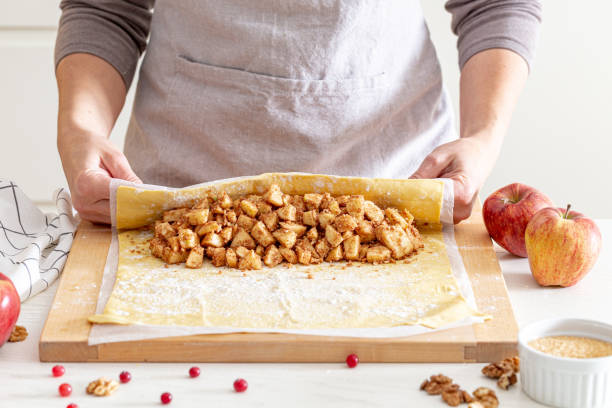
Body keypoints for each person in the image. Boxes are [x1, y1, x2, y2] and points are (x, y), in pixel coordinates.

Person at [55, 1, 542, 225]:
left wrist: (482, 136)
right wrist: (80, 128)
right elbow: (106, 8)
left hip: (394, 199)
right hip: (179, 204)